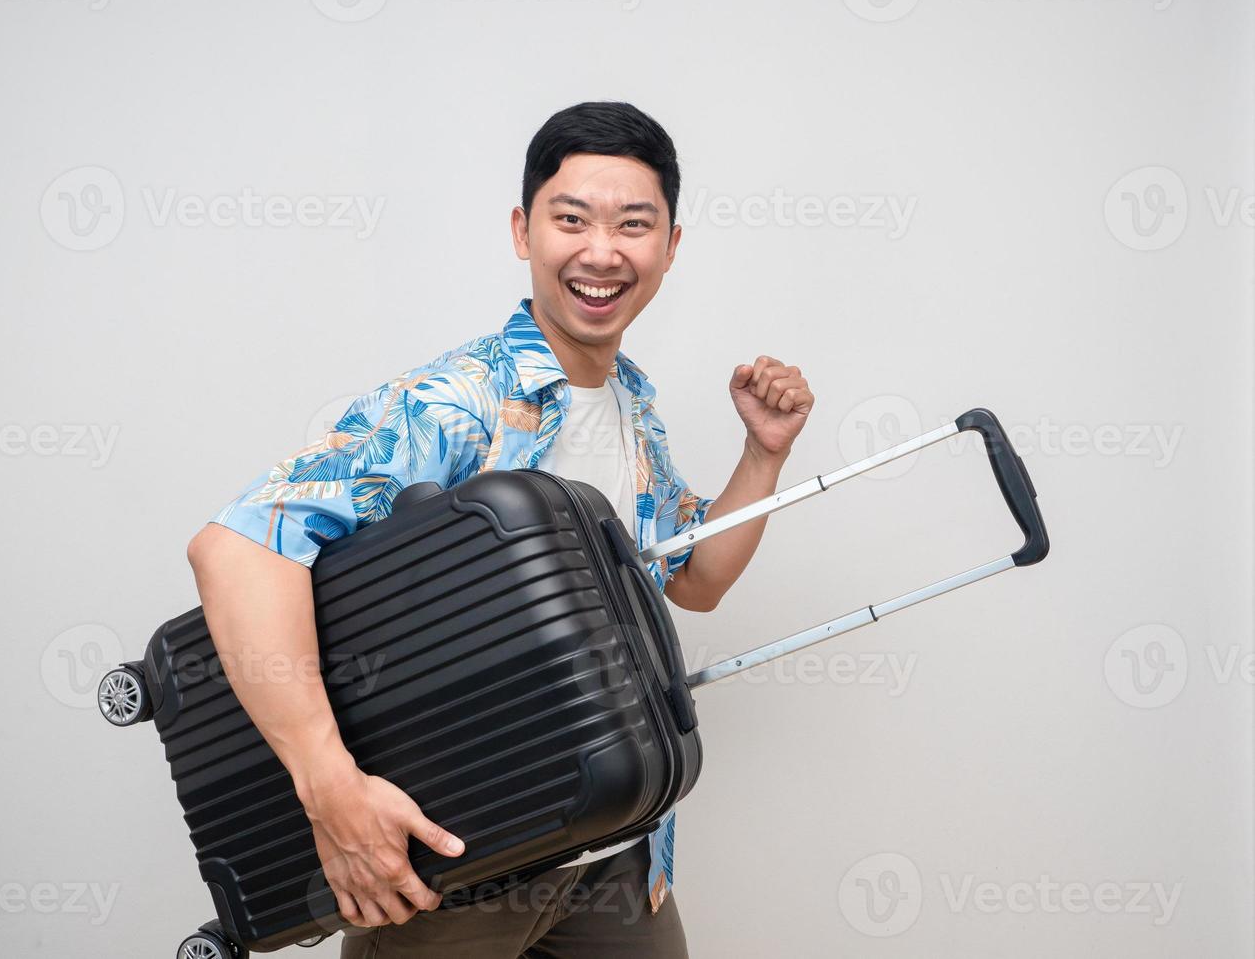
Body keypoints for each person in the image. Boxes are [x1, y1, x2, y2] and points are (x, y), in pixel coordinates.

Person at [186, 100, 814, 958]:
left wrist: (763, 455)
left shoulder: (633, 403)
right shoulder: (457, 401)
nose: (601, 251)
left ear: (670, 247)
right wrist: (331, 788)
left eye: (634, 224)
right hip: (462, 855)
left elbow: (692, 578)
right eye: (571, 219)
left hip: (616, 848)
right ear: (524, 232)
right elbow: (238, 548)